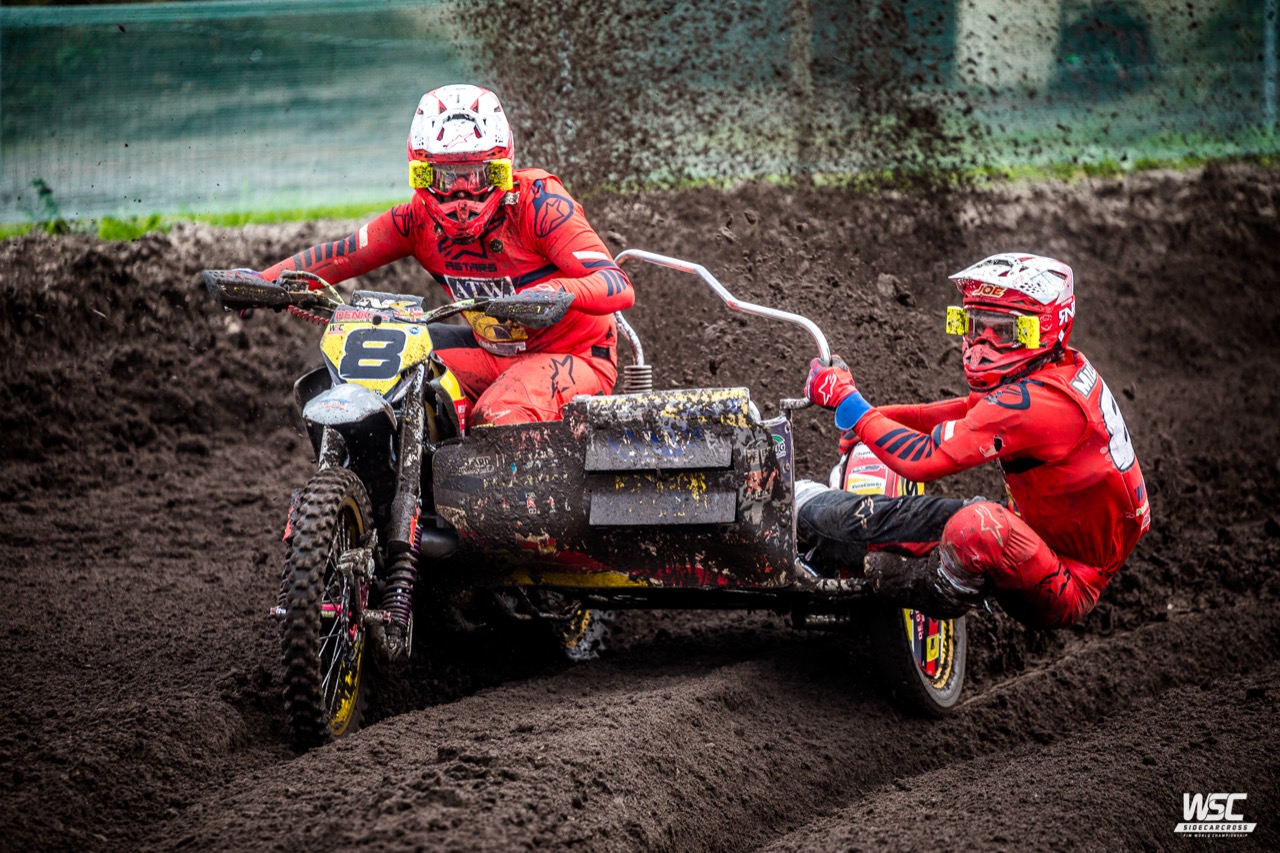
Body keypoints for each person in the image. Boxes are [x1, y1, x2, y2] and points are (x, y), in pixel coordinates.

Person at [797, 253, 1151, 629]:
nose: (982, 343)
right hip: (1033, 534)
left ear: (1045, 329)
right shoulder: (1060, 369)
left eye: (1003, 331)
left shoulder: (1039, 404)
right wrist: (872, 416)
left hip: (1065, 581)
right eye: (973, 324)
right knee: (920, 522)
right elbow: (966, 413)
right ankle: (817, 516)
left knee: (976, 527)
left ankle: (918, 586)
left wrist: (849, 404)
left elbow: (924, 459)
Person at [252, 83, 634, 427]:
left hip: (575, 355)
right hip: (491, 354)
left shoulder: (539, 204)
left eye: (477, 175)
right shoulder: (416, 221)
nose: (461, 195)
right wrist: (262, 283)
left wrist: (555, 293)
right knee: (386, 377)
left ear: (501, 172)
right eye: (446, 177)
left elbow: (617, 284)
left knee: (499, 415)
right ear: (421, 176)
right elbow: (341, 255)